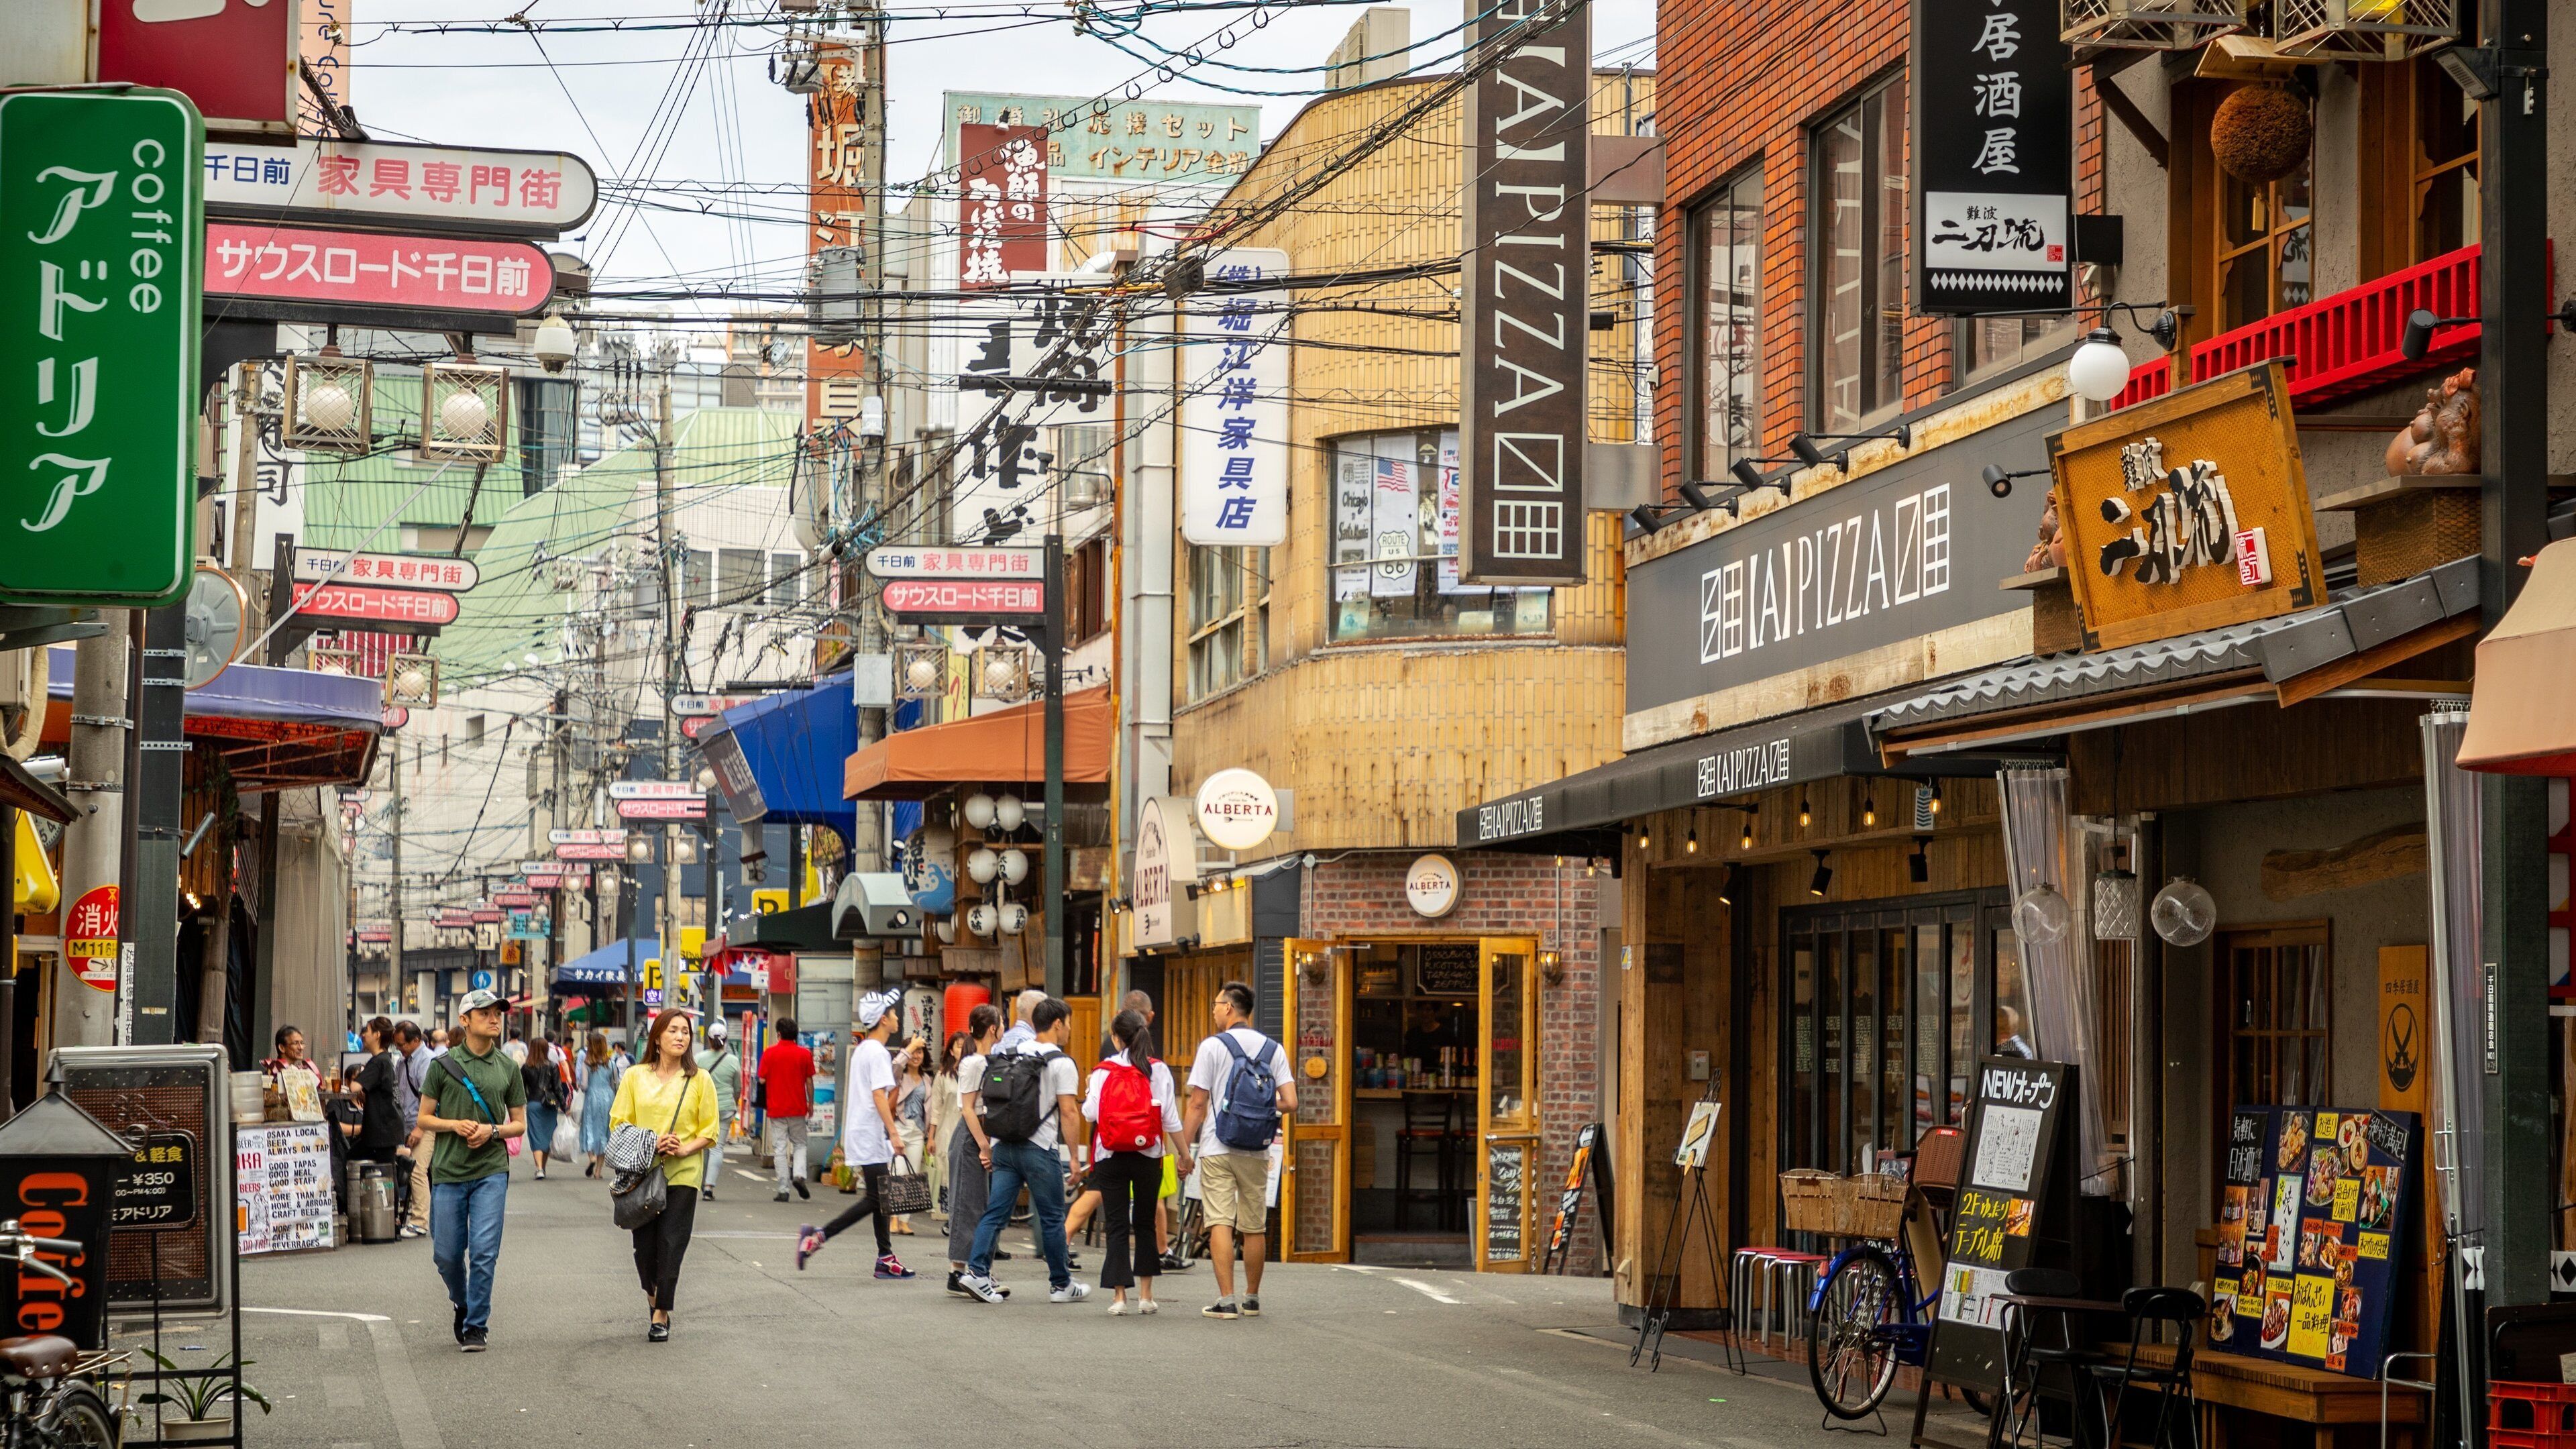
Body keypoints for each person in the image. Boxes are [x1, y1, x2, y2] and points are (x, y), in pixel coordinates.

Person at [413, 989, 527, 1351]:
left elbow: (519, 1124)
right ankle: (462, 1303)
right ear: (465, 1021)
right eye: (485, 1014)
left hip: (492, 1170)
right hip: (448, 1171)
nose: (495, 1019)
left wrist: (491, 1131)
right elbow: (424, 1118)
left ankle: (477, 1325)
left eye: (498, 1013)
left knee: (483, 1251)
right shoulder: (442, 1065)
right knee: (445, 1254)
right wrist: (456, 1125)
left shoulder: (508, 1068)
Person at [959, 997, 1088, 1305]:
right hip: (1039, 1148)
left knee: (995, 1213)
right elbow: (1069, 1113)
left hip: (1005, 1146)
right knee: (1053, 1217)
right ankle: (1061, 1284)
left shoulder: (1011, 1053)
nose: (1069, 1030)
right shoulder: (1061, 1062)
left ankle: (976, 1273)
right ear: (1057, 1024)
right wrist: (1073, 1157)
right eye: (1068, 1023)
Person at [1181, 981, 1295, 1320]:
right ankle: (1252, 1298)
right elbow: (1291, 1102)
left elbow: (1197, 1104)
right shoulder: (1274, 1049)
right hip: (1258, 1150)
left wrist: (1184, 1149)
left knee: (1219, 1221)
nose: (1214, 1010)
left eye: (1217, 1004)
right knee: (1254, 1224)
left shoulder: (1212, 1047)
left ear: (1229, 1007)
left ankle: (1226, 1300)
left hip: (1218, 1145)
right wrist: (1260, 1108)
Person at [609, 1008, 718, 1342]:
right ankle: (654, 1298)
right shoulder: (635, 1076)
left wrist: (685, 1149)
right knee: (644, 1248)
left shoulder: (700, 1079)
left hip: (684, 1172)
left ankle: (661, 1314)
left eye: (685, 1031)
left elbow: (710, 1130)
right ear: (657, 1037)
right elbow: (618, 1123)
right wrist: (652, 1142)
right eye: (673, 1030)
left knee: (672, 1243)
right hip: (642, 1173)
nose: (680, 1037)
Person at [796, 993, 915, 1279]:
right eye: (894, 1013)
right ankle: (817, 1237)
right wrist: (894, 1133)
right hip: (869, 1134)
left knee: (881, 1196)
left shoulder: (866, 1049)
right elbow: (878, 1096)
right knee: (876, 1198)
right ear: (883, 1020)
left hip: (864, 1132)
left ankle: (885, 1257)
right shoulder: (876, 1052)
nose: (898, 1017)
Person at [1082, 1009, 1185, 1315]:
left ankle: (1118, 1298)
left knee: (1116, 1225)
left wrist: (1090, 1086)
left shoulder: (1103, 1071)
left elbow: (1090, 1114)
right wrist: (1185, 1154)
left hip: (1110, 1154)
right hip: (1148, 1154)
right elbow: (1170, 1117)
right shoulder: (1158, 1070)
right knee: (1144, 1223)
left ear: (1116, 1038)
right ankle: (1146, 1295)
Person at [1068, 989, 1159, 1241]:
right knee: (1097, 1191)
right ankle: (1062, 1239)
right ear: (1149, 1018)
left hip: (1109, 1133)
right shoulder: (1143, 1056)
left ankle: (1162, 1250)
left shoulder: (1111, 1046)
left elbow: (1092, 1107)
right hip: (1128, 1136)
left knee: (1104, 1193)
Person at [943, 1006, 1004, 1298]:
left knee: (977, 1204)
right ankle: (959, 1272)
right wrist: (984, 1145)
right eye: (1001, 1023)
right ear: (993, 1028)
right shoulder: (974, 1063)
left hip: (976, 1134)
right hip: (971, 1136)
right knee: (966, 1204)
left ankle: (974, 1272)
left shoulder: (983, 1060)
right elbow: (968, 1109)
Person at [758, 1018, 816, 1203]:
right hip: (798, 1107)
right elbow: (809, 1081)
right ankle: (799, 1175)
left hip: (776, 1108)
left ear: (779, 1034)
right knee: (800, 1144)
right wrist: (811, 1104)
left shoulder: (770, 1054)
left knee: (780, 1148)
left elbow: (761, 1080)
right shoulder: (804, 1054)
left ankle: (783, 1189)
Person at [393, 1021, 434, 1238]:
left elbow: (432, 1098)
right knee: (409, 1169)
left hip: (425, 1124)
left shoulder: (427, 1060)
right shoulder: (403, 1061)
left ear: (416, 1041)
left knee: (417, 1169)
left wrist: (419, 1128)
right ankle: (412, 1217)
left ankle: (420, 1222)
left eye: (403, 1044)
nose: (400, 1048)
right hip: (408, 1123)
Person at [695, 1021, 741, 1201]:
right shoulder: (733, 1061)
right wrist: (733, 1102)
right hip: (725, 1108)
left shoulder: (699, 1059)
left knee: (701, 1146)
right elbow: (738, 1087)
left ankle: (698, 1181)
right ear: (726, 1040)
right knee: (717, 1148)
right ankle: (709, 1187)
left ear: (708, 1040)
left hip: (703, 1109)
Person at [350, 1017, 406, 1164]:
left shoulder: (378, 1062)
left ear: (377, 1035)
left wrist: (359, 1086)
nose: (363, 1035)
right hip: (388, 1128)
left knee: (386, 1175)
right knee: (384, 1171)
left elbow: (354, 1087)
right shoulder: (386, 1059)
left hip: (382, 1131)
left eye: (367, 1031)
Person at [928, 1030, 969, 1224]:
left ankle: (959, 1218)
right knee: (948, 1173)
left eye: (965, 1045)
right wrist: (931, 1137)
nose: (962, 1049)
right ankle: (951, 1218)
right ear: (951, 1051)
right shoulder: (943, 1076)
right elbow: (935, 1108)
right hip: (947, 1131)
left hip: (969, 1132)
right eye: (959, 1046)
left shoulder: (973, 1072)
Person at [890, 1036, 928, 1235]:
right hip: (899, 1128)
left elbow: (929, 1109)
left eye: (920, 1052)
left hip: (917, 1131)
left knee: (912, 1176)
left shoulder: (927, 1079)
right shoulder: (898, 1075)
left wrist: (930, 1135)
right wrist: (909, 1049)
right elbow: (896, 1065)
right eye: (913, 1052)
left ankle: (905, 1221)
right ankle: (893, 1218)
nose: (916, 1056)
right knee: (898, 1172)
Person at [521, 1037, 568, 1181]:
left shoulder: (526, 1066)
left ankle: (539, 1168)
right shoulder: (553, 1066)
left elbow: (521, 1088)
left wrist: (524, 1102)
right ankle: (542, 1168)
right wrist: (564, 1106)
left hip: (533, 1104)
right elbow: (558, 1088)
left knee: (535, 1135)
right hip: (550, 1104)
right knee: (547, 1136)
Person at [578, 1030, 623, 1179]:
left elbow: (584, 1085)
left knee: (589, 1127)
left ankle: (592, 1157)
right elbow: (615, 1083)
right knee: (604, 1130)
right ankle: (598, 1172)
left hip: (592, 1096)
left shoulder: (587, 1063)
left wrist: (581, 1086)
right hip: (608, 1097)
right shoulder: (611, 1063)